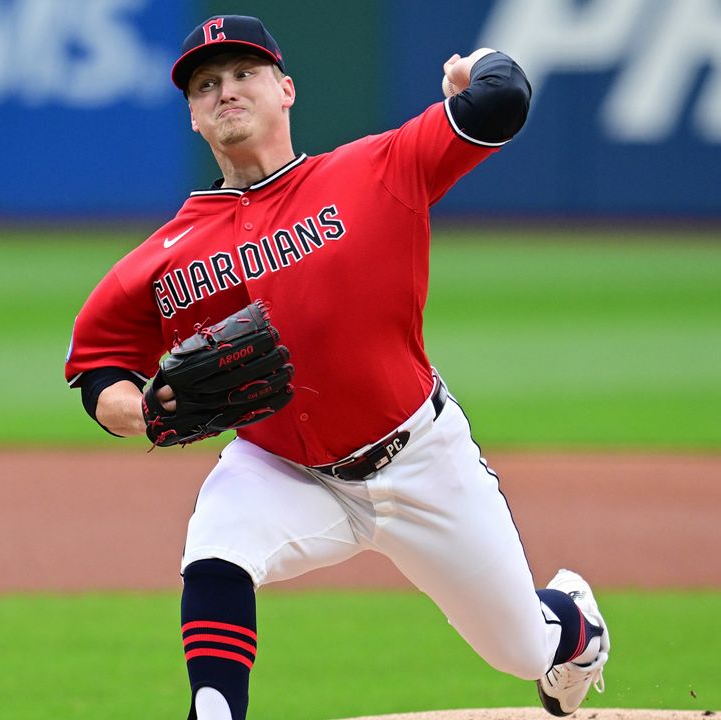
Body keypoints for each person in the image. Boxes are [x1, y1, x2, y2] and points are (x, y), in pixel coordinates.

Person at [64, 15, 609, 719]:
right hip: (283, 467)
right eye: (206, 85)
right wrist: (131, 409)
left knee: (522, 651)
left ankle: (574, 621)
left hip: (421, 459)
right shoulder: (163, 256)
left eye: (243, 74)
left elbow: (503, 103)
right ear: (194, 116)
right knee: (216, 545)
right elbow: (99, 368)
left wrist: (475, 68)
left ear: (285, 90)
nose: (225, 91)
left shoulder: (376, 170)